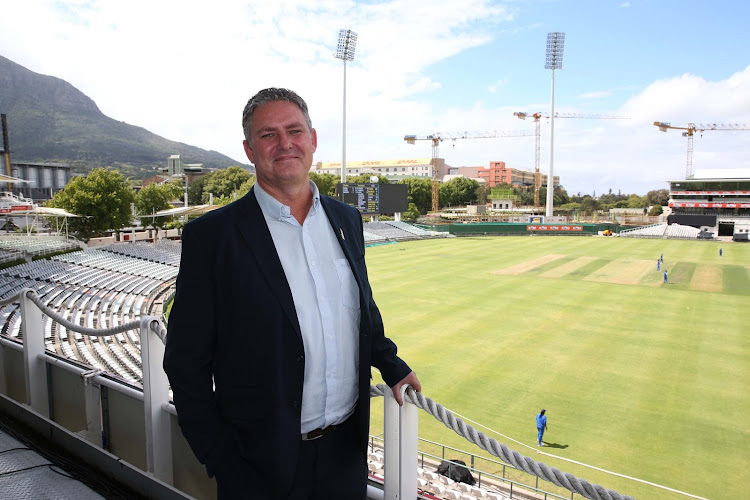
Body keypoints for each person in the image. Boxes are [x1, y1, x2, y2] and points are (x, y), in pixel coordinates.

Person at [163, 87, 421, 499]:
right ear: (249, 150)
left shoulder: (346, 219)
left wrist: (389, 362)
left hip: (345, 455)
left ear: (313, 140)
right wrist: (221, 458)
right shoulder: (212, 238)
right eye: (268, 135)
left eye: (294, 130)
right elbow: (185, 362)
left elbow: (360, 312)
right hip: (258, 465)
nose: (284, 143)